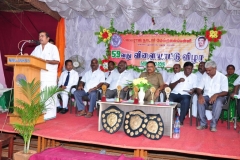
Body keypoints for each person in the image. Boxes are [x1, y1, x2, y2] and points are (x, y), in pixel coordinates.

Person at [31, 31, 60, 120]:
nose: (40, 37)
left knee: (49, 94)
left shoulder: (53, 48)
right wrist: (26, 56)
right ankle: (41, 113)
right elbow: (32, 59)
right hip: (39, 75)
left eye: (42, 36)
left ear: (47, 38)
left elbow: (57, 61)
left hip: (49, 76)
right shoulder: (37, 48)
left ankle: (50, 114)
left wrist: (45, 61)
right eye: (39, 36)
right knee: (40, 95)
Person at [196, 61, 228, 132]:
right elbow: (199, 88)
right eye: (206, 70)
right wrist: (200, 95)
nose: (207, 72)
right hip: (207, 96)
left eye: (209, 70)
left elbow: (225, 92)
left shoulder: (222, 77)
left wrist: (216, 95)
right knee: (200, 101)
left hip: (220, 96)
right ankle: (203, 124)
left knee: (218, 102)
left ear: (215, 68)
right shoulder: (205, 75)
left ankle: (213, 125)